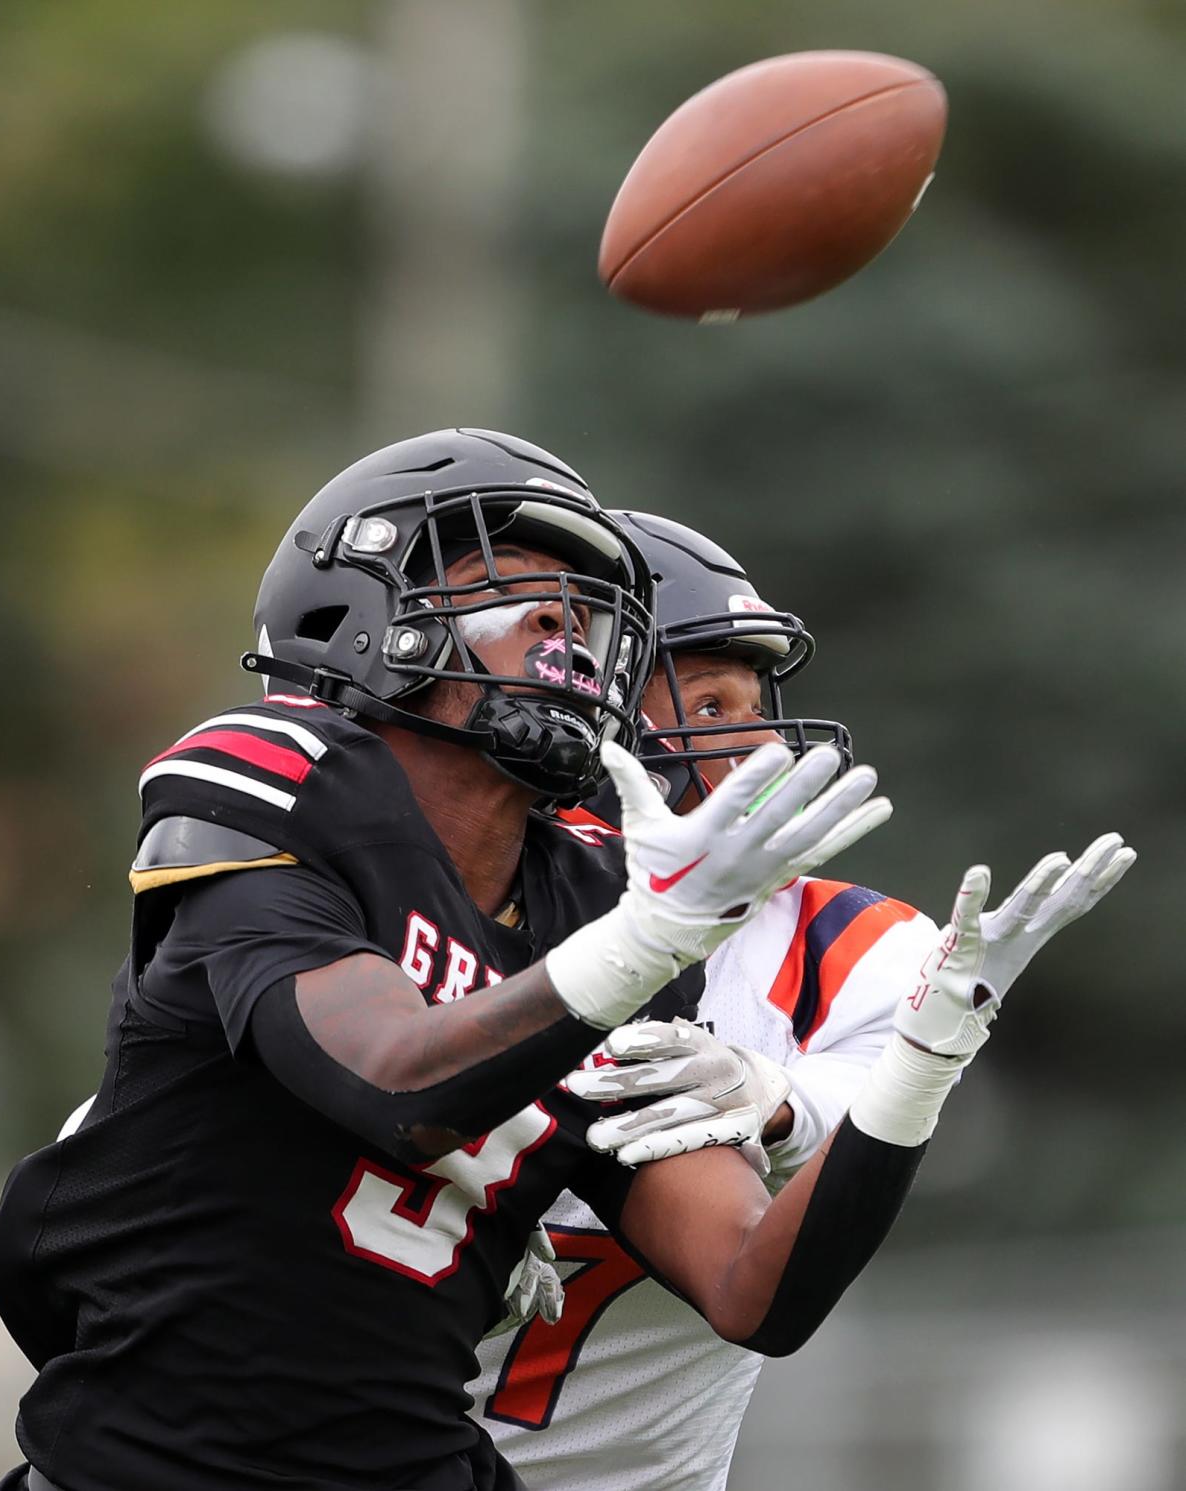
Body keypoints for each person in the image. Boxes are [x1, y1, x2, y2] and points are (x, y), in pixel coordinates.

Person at [0, 429, 925, 1491]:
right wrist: (645, 939)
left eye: (580, 607)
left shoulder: (598, 901)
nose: (559, 625)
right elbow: (396, 1085)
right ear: (356, 620)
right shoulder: (282, 780)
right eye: (501, 584)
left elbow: (760, 1291)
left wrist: (912, 1082)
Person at [470, 512, 1136, 1491]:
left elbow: (858, 1134)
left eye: (756, 703)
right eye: (709, 702)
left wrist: (768, 1091)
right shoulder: (466, 904)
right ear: (591, 715)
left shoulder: (857, 944)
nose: (761, 744)